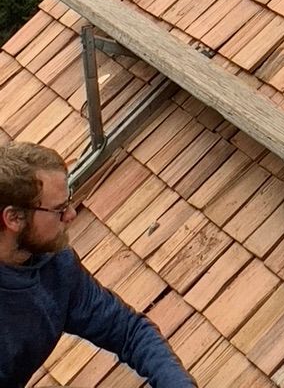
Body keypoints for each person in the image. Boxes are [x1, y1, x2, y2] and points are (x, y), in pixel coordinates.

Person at [0, 141, 196, 387]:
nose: (71, 214)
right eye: (59, 210)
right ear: (14, 218)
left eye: (68, 200)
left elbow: (128, 331)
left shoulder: (57, 264)